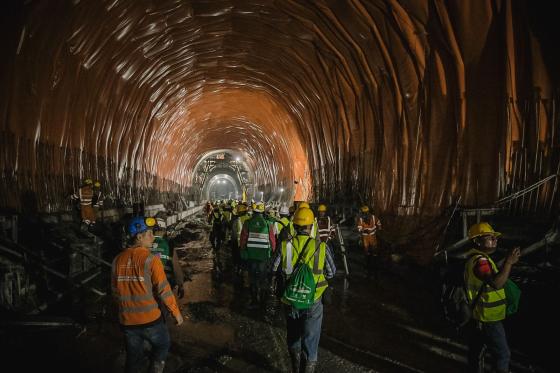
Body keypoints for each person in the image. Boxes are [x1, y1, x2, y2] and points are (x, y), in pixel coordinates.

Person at [111, 216, 184, 373]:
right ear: (139, 237)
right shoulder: (151, 259)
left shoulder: (117, 260)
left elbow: (115, 292)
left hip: (127, 322)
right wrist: (176, 313)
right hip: (150, 320)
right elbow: (164, 290)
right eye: (149, 234)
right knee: (163, 344)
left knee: (133, 357)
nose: (152, 237)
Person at [272, 207, 336, 373]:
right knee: (311, 339)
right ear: (311, 226)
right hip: (313, 300)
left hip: (291, 299)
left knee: (293, 334)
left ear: (294, 225)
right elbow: (331, 272)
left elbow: (273, 267)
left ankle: (295, 365)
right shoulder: (321, 247)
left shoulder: (285, 246)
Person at [464, 222, 520, 373]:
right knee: (503, 354)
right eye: (490, 238)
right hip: (489, 320)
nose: (495, 240)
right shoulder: (480, 261)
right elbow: (496, 283)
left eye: (495, 238)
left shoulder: (479, 259)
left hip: (479, 317)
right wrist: (509, 262)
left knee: (476, 354)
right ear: (477, 241)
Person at [239, 201, 276, 307]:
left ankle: (254, 300)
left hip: (251, 256)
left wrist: (243, 251)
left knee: (253, 279)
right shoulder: (268, 224)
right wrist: (272, 252)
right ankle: (263, 300)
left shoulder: (247, 222)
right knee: (263, 278)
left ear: (254, 211)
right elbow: (272, 241)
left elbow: (243, 240)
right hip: (264, 256)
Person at [150, 217, 185, 302]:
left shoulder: (144, 243)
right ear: (163, 230)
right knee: (166, 306)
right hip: (165, 282)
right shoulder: (169, 244)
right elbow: (175, 266)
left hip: (148, 282)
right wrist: (180, 284)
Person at [356, 205, 382, 279]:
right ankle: (368, 266)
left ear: (368, 212)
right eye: (364, 213)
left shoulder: (373, 217)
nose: (365, 214)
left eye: (366, 213)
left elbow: (379, 223)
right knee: (366, 251)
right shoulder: (361, 219)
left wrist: (379, 229)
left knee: (374, 251)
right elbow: (359, 228)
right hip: (365, 237)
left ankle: (375, 264)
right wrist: (364, 230)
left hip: (372, 236)